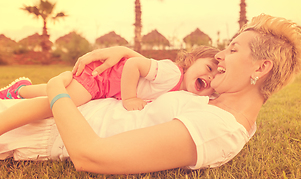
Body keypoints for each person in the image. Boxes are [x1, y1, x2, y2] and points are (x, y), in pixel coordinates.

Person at [0, 14, 301, 175]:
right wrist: (125, 54)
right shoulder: (218, 101)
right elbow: (166, 82)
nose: (220, 57)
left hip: (44, 128)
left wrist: (56, 90)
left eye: (233, 49)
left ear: (261, 67)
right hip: (57, 112)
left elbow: (89, 154)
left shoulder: (218, 128)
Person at [0, 46, 219, 135]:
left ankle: (20, 91)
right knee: (62, 102)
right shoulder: (172, 73)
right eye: (209, 68)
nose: (209, 77)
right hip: (100, 78)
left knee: (64, 92)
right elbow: (134, 65)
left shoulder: (183, 92)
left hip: (103, 85)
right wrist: (130, 97)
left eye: (215, 79)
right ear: (191, 60)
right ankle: (15, 106)